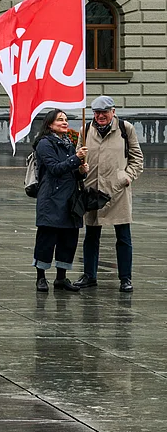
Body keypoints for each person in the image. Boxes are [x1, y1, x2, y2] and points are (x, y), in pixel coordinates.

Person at [77, 96, 143, 292]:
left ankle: (125, 278)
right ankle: (89, 275)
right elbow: (78, 156)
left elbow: (137, 158)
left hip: (117, 190)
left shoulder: (125, 128)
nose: (100, 116)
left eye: (104, 112)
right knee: (91, 236)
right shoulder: (85, 129)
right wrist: (80, 169)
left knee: (123, 236)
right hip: (93, 190)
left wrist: (126, 177)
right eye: (97, 113)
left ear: (113, 112)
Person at [31, 109, 87, 293]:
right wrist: (76, 159)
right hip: (51, 199)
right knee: (46, 240)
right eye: (60, 120)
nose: (65, 122)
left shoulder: (68, 143)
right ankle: (41, 277)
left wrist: (81, 171)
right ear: (49, 124)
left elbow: (71, 173)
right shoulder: (44, 143)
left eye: (65, 119)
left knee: (68, 240)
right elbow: (54, 168)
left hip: (70, 199)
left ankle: (61, 278)